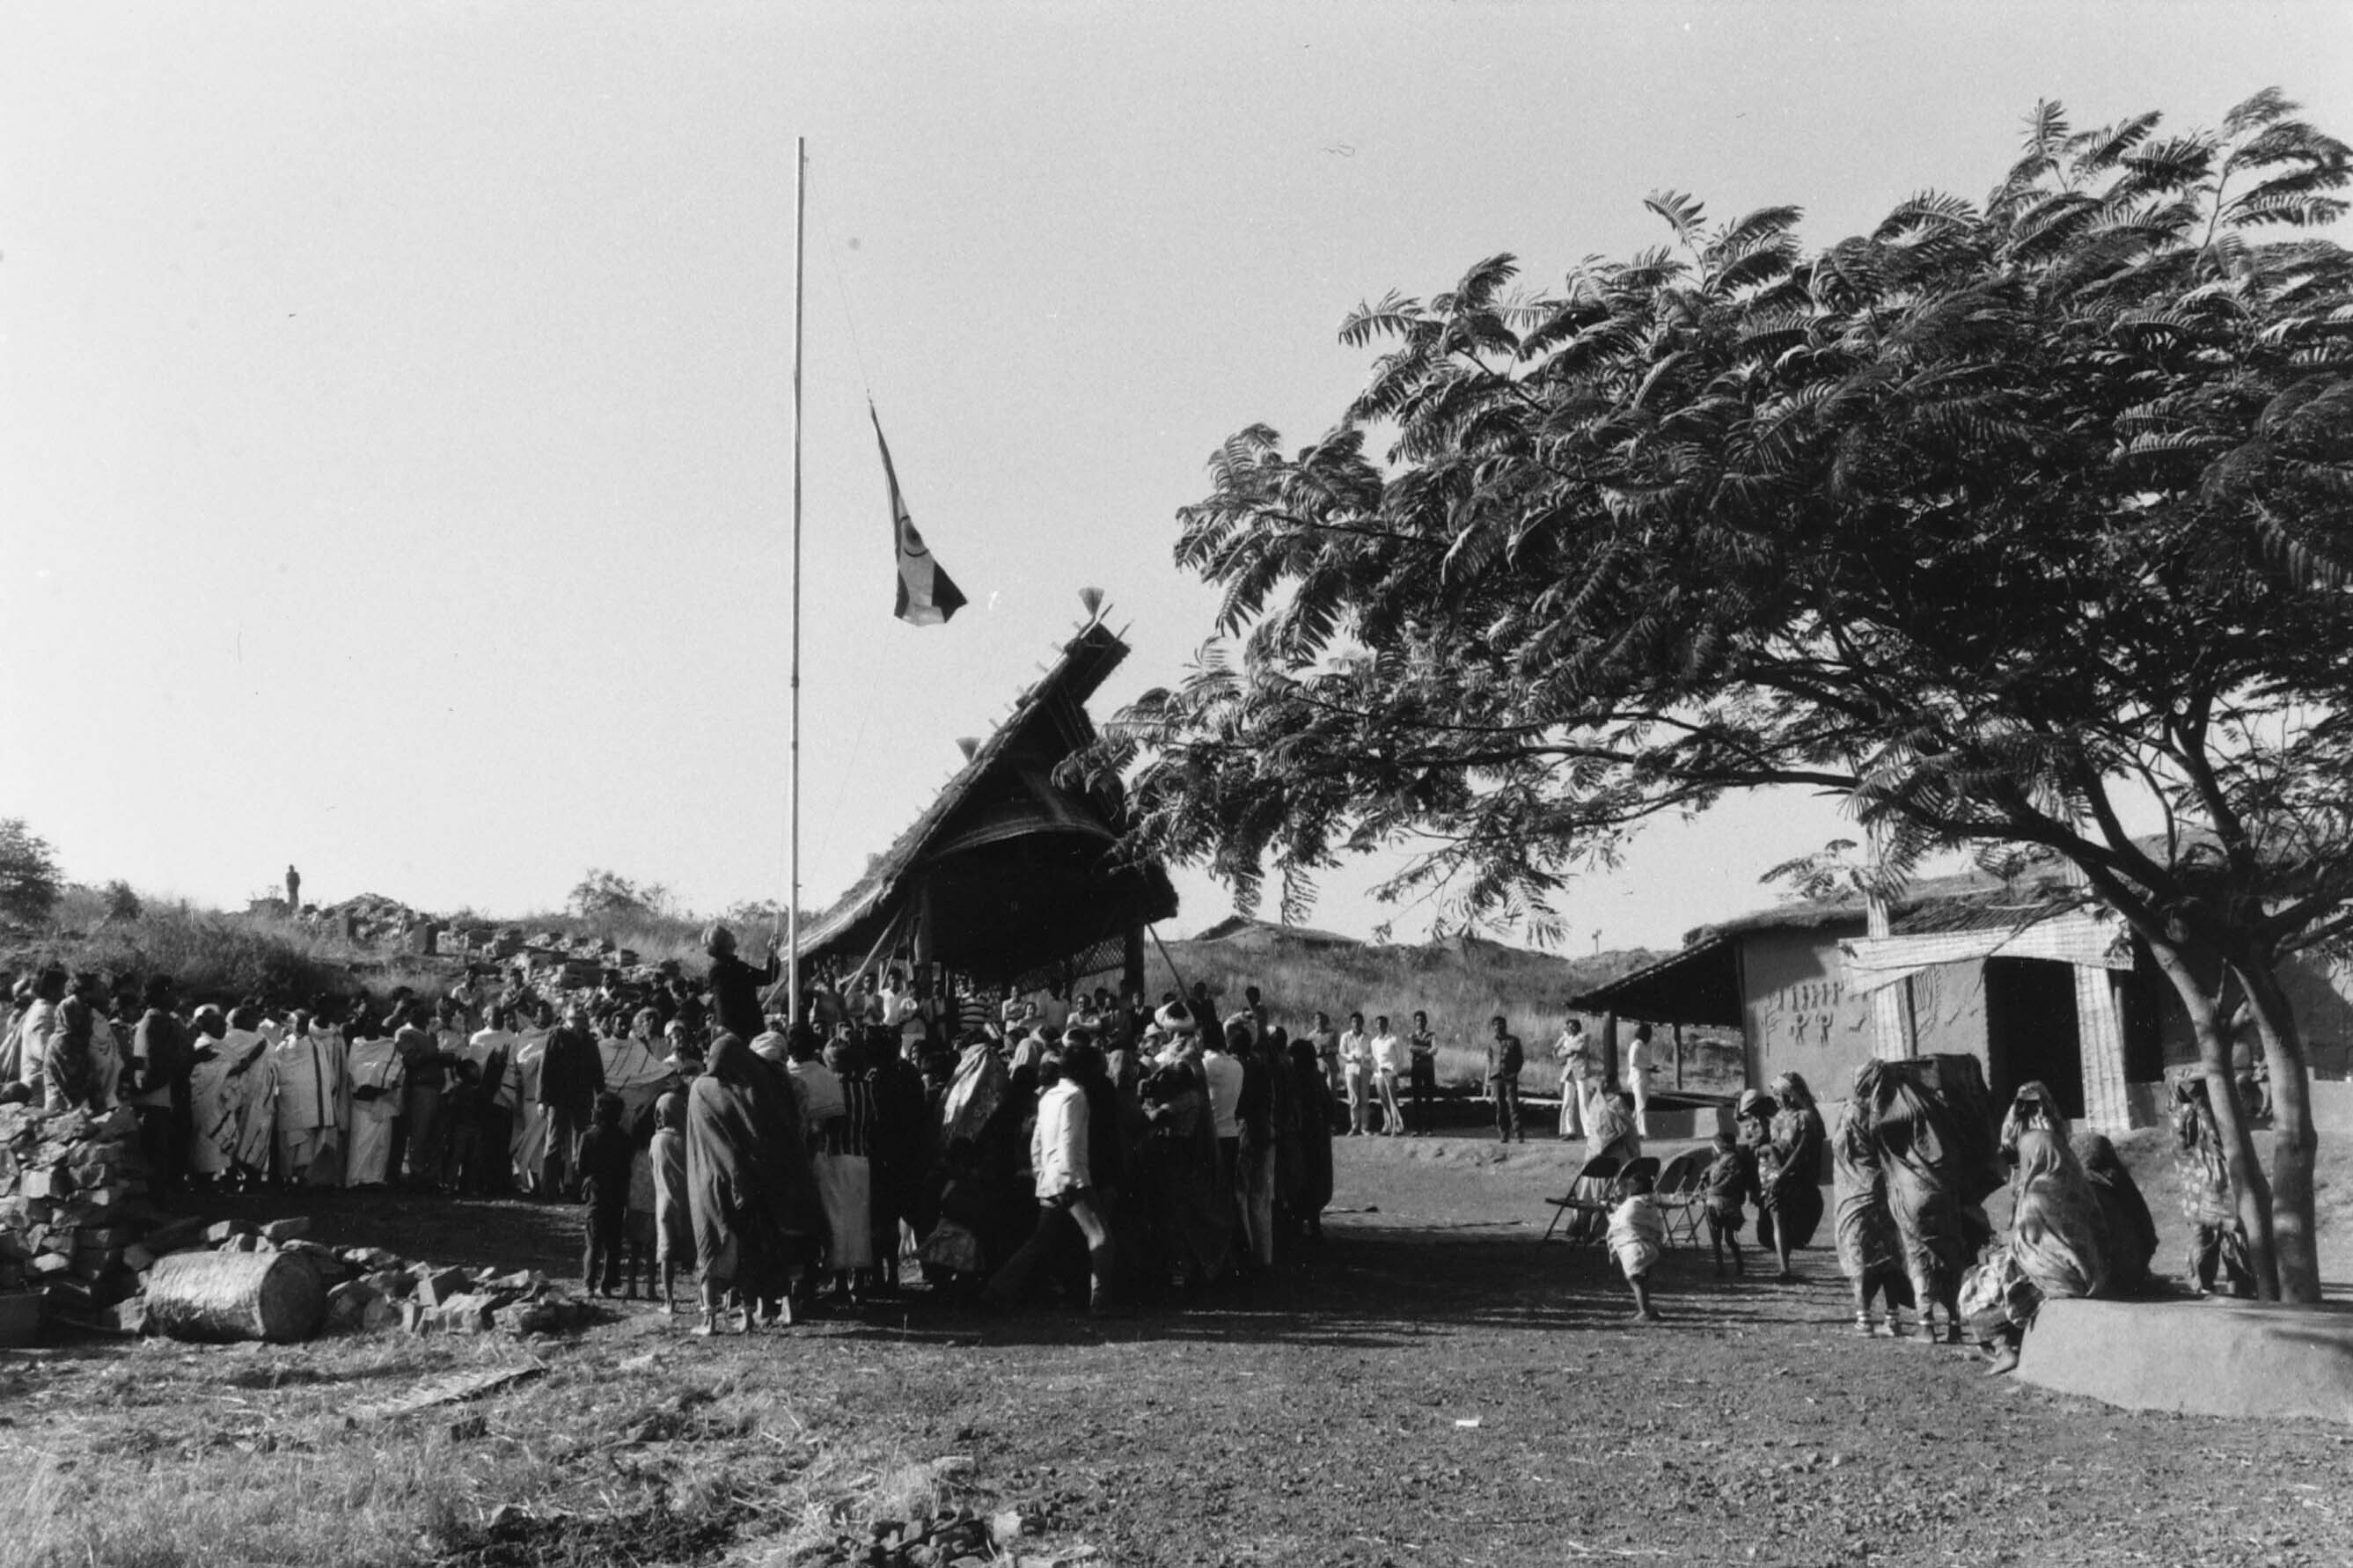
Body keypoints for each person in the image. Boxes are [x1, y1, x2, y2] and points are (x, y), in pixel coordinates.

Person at [686, 1032, 827, 1333]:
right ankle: (752, 1313)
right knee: (754, 1248)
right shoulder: (754, 1088)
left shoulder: (701, 1088)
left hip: (710, 1176)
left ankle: (709, 1318)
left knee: (711, 1244)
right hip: (755, 1179)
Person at [1966, 1081, 2109, 1374]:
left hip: (2056, 1283)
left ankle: (2004, 1349)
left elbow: (2027, 1251)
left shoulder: (2035, 1197)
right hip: (2091, 1276)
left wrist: (2003, 1251)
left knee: (1978, 1286)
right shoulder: (2076, 1185)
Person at [985, 1046, 1116, 1314]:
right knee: (1101, 1237)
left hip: (1049, 1179)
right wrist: (1069, 1178)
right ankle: (1100, 1301)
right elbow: (1069, 1137)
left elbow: (1037, 1141)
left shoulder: (1048, 1097)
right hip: (1072, 1178)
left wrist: (1041, 1172)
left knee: (1040, 1241)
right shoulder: (1076, 1096)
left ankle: (997, 1288)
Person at [1829, 1093, 1911, 1335]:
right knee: (1889, 1255)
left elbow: (1840, 1148)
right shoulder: (1885, 1112)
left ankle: (1864, 1318)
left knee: (1858, 1254)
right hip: (1883, 1189)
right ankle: (1893, 1317)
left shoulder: (1851, 1115)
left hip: (1855, 1196)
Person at [2170, 1076, 2255, 1298]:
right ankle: (2226, 1286)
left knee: (2215, 1235)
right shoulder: (2195, 1115)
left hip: (2201, 1187)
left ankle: (2210, 1286)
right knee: (2224, 1235)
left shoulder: (2185, 1114)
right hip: (2211, 1184)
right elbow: (2218, 1142)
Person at [1755, 1072, 1826, 1279]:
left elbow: (1801, 1151)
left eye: (1779, 1094)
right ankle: (1784, 1268)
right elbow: (1774, 1145)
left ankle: (1785, 1267)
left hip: (1794, 1176)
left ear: (1791, 1095)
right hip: (1775, 1175)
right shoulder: (1778, 1118)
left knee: (1785, 1220)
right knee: (1778, 1220)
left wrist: (1781, 1174)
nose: (1777, 1099)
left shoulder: (1805, 1118)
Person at [128, 978, 191, 1193]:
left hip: (161, 1095)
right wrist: (190, 1060)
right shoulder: (155, 1022)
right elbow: (156, 1064)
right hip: (153, 1098)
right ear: (161, 994)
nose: (176, 996)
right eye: (172, 991)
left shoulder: (164, 1020)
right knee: (156, 1155)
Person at [539, 1002, 605, 1198]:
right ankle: (548, 1190)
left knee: (581, 1145)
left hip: (583, 1099)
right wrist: (542, 1099)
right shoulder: (556, 1036)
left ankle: (578, 1191)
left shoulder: (589, 1040)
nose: (578, 1021)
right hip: (558, 1099)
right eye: (574, 1017)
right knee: (553, 1143)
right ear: (565, 1017)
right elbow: (545, 1069)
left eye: (580, 1017)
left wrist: (601, 1095)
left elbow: (597, 1069)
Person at [578, 1092, 635, 1297]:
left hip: (596, 1193)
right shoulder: (625, 1139)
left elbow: (581, 1167)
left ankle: (589, 1284)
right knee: (613, 1243)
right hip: (617, 1194)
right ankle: (607, 1285)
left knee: (593, 1241)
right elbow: (627, 1168)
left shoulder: (588, 1137)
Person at [344, 1013, 407, 1188]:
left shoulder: (388, 1046)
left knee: (380, 1142)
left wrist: (380, 1088)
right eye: (367, 1022)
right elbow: (351, 1069)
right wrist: (360, 1089)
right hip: (360, 1101)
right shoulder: (356, 1044)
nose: (371, 1025)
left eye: (375, 1021)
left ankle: (375, 1179)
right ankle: (357, 1179)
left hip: (382, 1100)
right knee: (360, 1141)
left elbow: (396, 1070)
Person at [651, 1091, 693, 1312]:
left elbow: (653, 1168)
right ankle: (704, 1299)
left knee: (666, 1254)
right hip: (688, 1202)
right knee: (694, 1252)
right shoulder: (689, 1139)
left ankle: (669, 1300)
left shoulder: (657, 1140)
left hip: (664, 1201)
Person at [1608, 1169, 1666, 1323]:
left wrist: (1611, 1214)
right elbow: (1651, 1223)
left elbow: (1621, 1222)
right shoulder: (1649, 1204)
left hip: (1634, 1248)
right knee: (1643, 1280)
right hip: (1649, 1247)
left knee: (1635, 1280)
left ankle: (1644, 1311)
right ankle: (1646, 1308)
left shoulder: (1632, 1204)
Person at [1700, 1131, 1755, 1279]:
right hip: (1718, 1202)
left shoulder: (1732, 1160)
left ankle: (1734, 1265)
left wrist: (1713, 1189)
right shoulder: (1721, 1161)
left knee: (1725, 1238)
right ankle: (1724, 1267)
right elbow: (1709, 1172)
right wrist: (1705, 1176)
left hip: (1725, 1203)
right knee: (1721, 1238)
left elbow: (1733, 1180)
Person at [1484, 1015, 1524, 1144]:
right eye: (1495, 1025)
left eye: (1500, 1024)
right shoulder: (1491, 1042)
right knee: (1500, 1106)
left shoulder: (1514, 1041)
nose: (1498, 1027)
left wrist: (1514, 1072)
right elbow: (1489, 1059)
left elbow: (1520, 1059)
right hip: (1496, 1077)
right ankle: (1503, 1133)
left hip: (1510, 1076)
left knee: (1513, 1105)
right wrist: (1491, 1075)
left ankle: (1518, 1133)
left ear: (1505, 1026)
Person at [1368, 1015, 1406, 1137]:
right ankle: (1388, 1125)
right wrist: (1376, 1071)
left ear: (1386, 1025)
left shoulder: (1394, 1039)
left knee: (1392, 1101)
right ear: (1376, 1025)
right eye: (1378, 1024)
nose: (1380, 1026)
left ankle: (1397, 1126)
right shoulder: (1374, 1042)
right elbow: (1375, 1058)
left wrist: (1394, 1071)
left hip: (1390, 1073)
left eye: (1382, 1023)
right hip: (1379, 1074)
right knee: (1384, 1101)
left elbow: (1401, 1058)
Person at [1551, 1017, 1589, 1139]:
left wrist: (1568, 1047)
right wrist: (1568, 1050)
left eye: (1573, 1026)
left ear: (1578, 1027)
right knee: (1567, 1102)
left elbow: (1581, 1048)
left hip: (1581, 1071)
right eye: (1569, 1026)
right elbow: (1560, 1054)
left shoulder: (1584, 1036)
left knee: (1584, 1102)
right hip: (1569, 1072)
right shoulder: (1567, 1039)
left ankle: (1588, 1132)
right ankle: (1569, 1131)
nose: (1571, 1028)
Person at [1405, 1011, 1439, 1135]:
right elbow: (1411, 1048)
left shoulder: (1432, 1035)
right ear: (1415, 1022)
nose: (1420, 1023)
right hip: (1416, 1069)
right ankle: (1417, 1128)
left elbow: (1435, 1050)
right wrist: (1426, 1050)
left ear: (1426, 1021)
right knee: (1416, 1099)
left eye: (1422, 1020)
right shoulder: (1412, 1035)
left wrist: (1419, 1050)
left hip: (1428, 1069)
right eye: (1418, 1020)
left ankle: (1429, 1129)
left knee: (1429, 1098)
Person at [1624, 1023, 1654, 1138]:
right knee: (1641, 1105)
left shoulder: (1644, 1046)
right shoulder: (1636, 1045)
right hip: (1638, 1078)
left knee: (1640, 1106)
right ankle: (1643, 1131)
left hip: (1645, 1078)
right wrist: (1648, 1067)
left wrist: (1651, 1067)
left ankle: (1633, 1130)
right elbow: (1633, 1062)